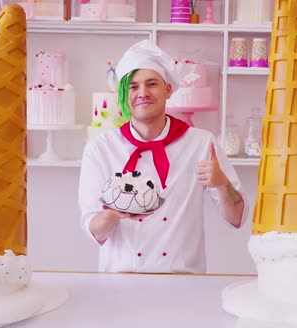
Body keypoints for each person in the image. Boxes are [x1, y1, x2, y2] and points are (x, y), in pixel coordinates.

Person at [78, 40, 249, 273]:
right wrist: (115, 212)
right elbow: (95, 231)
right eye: (133, 86)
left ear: (168, 90)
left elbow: (237, 217)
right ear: (124, 94)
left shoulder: (201, 143)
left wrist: (221, 184)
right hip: (119, 286)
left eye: (152, 84)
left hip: (184, 284)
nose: (143, 93)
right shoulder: (100, 149)